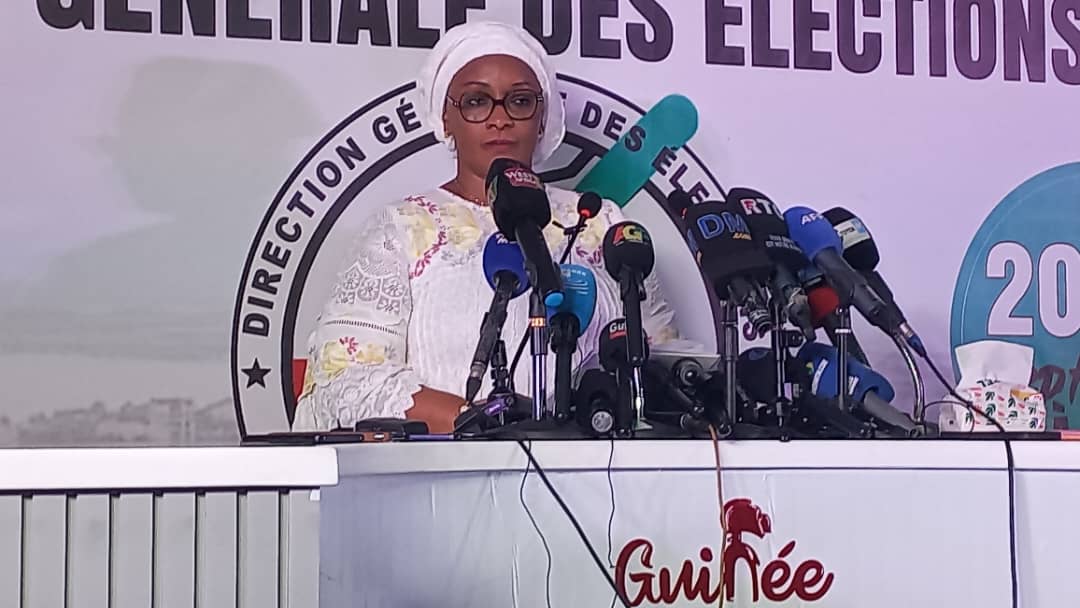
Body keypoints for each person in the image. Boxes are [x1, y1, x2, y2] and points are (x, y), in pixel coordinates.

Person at [292, 21, 691, 433]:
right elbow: (346, 377)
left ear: (542, 118)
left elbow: (662, 362)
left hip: (596, 464)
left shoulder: (598, 221)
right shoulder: (403, 227)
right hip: (447, 467)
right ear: (446, 118)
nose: (499, 119)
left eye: (519, 101)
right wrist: (479, 422)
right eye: (476, 101)